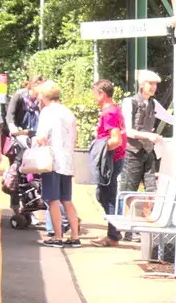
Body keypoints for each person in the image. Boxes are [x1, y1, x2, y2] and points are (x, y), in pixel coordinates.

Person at [32, 80, 81, 247]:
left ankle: (58, 237)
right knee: (66, 200)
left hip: (52, 161)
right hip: (67, 161)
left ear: (44, 96)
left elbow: (42, 137)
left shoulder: (47, 112)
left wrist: (34, 142)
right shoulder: (68, 112)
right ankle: (75, 236)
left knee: (53, 200)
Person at [120, 69, 172, 194]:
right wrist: (149, 135)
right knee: (128, 191)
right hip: (132, 153)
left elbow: (169, 118)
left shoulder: (153, 103)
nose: (154, 87)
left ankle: (149, 213)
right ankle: (124, 214)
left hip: (148, 152)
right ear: (142, 85)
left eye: (155, 84)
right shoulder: (129, 102)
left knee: (152, 190)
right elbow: (127, 131)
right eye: (151, 83)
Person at [89, 79, 128, 245]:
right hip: (115, 159)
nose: (93, 96)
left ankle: (113, 236)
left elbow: (116, 140)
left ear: (102, 94)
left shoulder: (109, 113)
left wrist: (102, 150)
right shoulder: (114, 109)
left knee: (108, 196)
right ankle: (114, 232)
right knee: (104, 195)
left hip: (111, 161)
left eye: (94, 93)